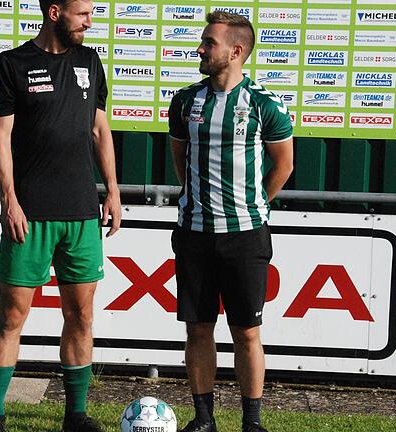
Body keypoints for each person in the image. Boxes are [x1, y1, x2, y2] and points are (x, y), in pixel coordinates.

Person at [0, 0, 121, 430]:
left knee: (80, 315)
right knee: (11, 316)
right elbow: (0, 136)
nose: (90, 22)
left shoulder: (90, 61)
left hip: (81, 212)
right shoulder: (12, 63)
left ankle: (75, 415)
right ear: (55, 12)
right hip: (31, 213)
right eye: (83, 14)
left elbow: (100, 129)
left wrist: (113, 191)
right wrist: (9, 199)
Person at [167, 11, 294, 432]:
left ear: (236, 51)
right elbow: (180, 159)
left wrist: (250, 205)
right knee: (198, 330)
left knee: (247, 332)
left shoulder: (264, 104)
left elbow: (283, 166)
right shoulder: (186, 100)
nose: (200, 49)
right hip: (194, 235)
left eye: (209, 43)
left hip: (245, 237)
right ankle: (204, 420)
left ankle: (251, 423)